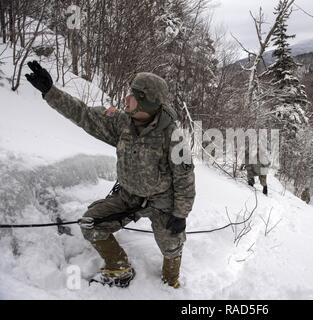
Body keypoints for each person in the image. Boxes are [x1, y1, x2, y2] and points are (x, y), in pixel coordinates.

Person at [25, 61, 195, 288]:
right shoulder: (122, 122)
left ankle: (171, 283)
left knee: (171, 245)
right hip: (128, 196)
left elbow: (185, 178)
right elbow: (84, 114)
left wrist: (180, 214)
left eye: (132, 95)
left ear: (146, 101)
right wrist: (50, 92)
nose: (126, 99)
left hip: (161, 203)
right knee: (90, 223)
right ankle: (119, 267)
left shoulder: (174, 136)